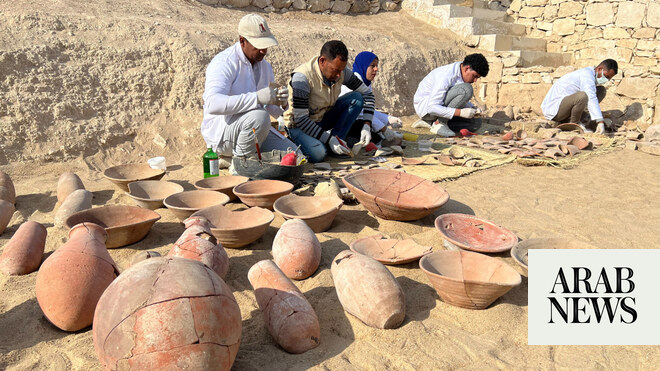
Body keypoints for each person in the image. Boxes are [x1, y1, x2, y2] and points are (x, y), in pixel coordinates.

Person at [200, 14, 297, 169]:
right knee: (260, 116)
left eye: (265, 45)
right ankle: (240, 167)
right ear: (242, 41)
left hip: (253, 130)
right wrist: (256, 98)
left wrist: (281, 102)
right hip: (223, 133)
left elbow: (271, 108)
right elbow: (213, 104)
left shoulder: (264, 66)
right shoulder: (224, 63)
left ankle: (234, 160)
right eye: (258, 46)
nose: (263, 50)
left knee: (294, 156)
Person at [282, 40, 376, 163]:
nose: (338, 75)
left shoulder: (341, 72)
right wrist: (329, 139)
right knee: (319, 154)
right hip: (299, 125)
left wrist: (367, 125)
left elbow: (367, 94)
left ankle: (338, 142)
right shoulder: (302, 78)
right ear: (322, 61)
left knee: (356, 99)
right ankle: (300, 141)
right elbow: (301, 120)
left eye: (341, 71)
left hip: (321, 119)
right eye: (335, 70)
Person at [412, 53, 489, 137]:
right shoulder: (446, 75)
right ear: (467, 68)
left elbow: (456, 98)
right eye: (475, 76)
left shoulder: (461, 71)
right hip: (427, 111)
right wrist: (460, 112)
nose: (475, 80)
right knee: (466, 89)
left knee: (475, 123)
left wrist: (472, 108)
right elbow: (432, 107)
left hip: (438, 109)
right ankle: (439, 123)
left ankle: (430, 123)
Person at [338, 51, 403, 146]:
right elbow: (359, 112)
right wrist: (383, 128)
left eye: (377, 66)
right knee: (387, 140)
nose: (376, 69)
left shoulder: (366, 83)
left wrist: (388, 119)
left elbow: (369, 109)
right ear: (363, 66)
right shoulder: (354, 82)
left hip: (357, 121)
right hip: (346, 123)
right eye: (372, 66)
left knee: (391, 139)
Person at [541, 59, 618, 134]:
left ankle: (584, 119)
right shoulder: (586, 75)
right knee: (583, 96)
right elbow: (591, 97)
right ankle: (574, 124)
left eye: (609, 78)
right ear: (599, 69)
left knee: (601, 90)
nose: (606, 80)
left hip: (566, 106)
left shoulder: (591, 75)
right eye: (606, 76)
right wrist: (600, 121)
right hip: (555, 110)